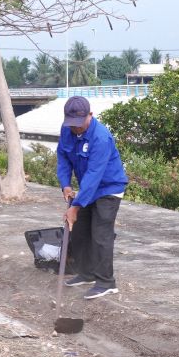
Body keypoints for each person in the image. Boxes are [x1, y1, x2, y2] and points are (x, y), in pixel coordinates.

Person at [57, 95, 128, 300]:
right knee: (79, 230)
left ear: (90, 115)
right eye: (72, 124)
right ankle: (86, 273)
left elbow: (94, 175)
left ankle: (106, 282)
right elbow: (63, 158)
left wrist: (75, 206)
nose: (76, 129)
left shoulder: (101, 137)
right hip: (88, 188)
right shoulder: (66, 131)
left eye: (80, 124)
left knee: (100, 233)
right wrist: (66, 185)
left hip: (108, 188)